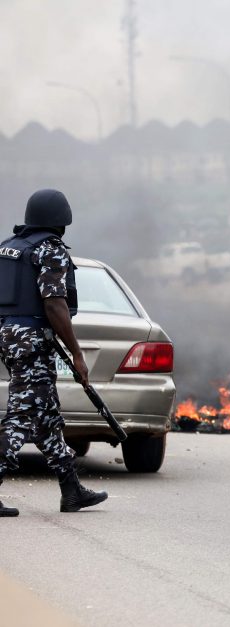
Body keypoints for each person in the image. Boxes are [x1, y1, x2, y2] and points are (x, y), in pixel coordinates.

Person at [0, 189, 108, 517]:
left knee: (45, 416)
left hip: (10, 336)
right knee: (21, 416)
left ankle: (71, 489)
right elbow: (54, 303)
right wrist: (76, 352)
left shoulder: (10, 248)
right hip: (31, 340)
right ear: (60, 220)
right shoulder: (50, 249)